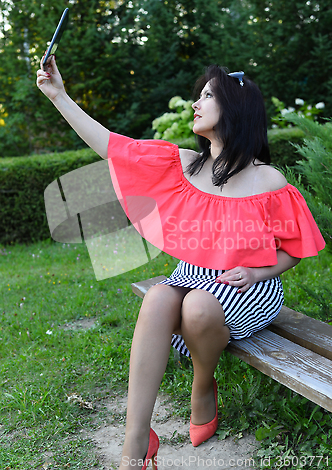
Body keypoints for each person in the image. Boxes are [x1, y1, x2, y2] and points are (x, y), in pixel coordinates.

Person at [37, 57, 325, 469]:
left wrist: (257, 271)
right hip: (189, 277)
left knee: (197, 305)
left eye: (208, 95)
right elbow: (112, 146)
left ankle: (202, 385)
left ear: (236, 109)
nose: (196, 102)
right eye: (199, 95)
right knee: (156, 297)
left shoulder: (269, 181)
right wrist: (59, 96)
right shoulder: (186, 164)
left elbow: (294, 250)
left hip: (246, 289)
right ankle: (135, 446)